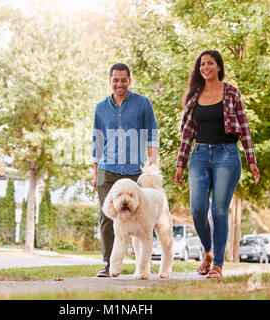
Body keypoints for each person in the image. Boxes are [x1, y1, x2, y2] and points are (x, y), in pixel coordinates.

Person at [175, 50, 260, 279]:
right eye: (202, 64)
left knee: (219, 210)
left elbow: (244, 127)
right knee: (198, 209)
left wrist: (251, 161)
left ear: (219, 67)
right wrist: (180, 163)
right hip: (200, 155)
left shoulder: (232, 92)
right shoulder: (195, 96)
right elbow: (187, 134)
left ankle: (218, 266)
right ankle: (209, 251)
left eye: (210, 63)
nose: (205, 67)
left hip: (227, 155)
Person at [92, 63, 159, 277]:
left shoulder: (143, 104)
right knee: (107, 216)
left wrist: (151, 166)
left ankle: (142, 265)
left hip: (135, 170)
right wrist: (95, 173)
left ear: (129, 80)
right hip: (107, 167)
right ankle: (109, 264)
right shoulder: (100, 108)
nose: (119, 84)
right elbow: (97, 141)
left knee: (140, 216)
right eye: (115, 80)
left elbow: (152, 136)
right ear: (110, 80)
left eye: (123, 80)